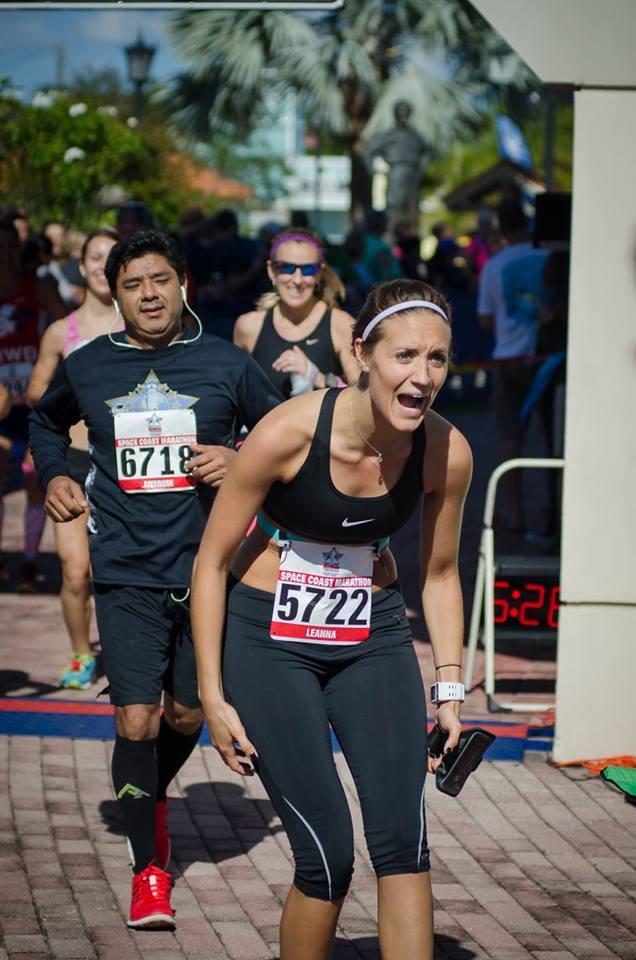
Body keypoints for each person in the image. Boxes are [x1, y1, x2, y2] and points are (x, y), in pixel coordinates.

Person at [191, 278, 472, 960]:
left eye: (437, 359)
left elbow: (438, 575)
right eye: (405, 356)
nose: (422, 376)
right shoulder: (287, 433)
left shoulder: (446, 451)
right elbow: (209, 563)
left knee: (404, 841)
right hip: (270, 641)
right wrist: (211, 695)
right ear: (362, 355)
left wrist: (451, 690)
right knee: (328, 852)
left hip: (372, 635)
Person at [29, 230, 281, 930]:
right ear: (116, 291)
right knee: (135, 717)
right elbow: (44, 426)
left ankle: (146, 795)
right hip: (127, 571)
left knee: (189, 714)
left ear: (182, 284)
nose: (148, 294)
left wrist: (239, 458)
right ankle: (149, 866)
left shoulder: (228, 365)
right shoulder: (88, 366)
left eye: (160, 279)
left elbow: (287, 434)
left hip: (207, 572)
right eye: (134, 282)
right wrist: (57, 473)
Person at [26, 227, 120, 689]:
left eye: (112, 257)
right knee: (75, 569)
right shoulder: (63, 332)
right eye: (95, 258)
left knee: (122, 570)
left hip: (125, 464)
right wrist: (74, 394)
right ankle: (83, 653)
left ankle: (128, 648)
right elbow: (36, 393)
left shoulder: (139, 329)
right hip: (76, 461)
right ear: (81, 268)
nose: (103, 266)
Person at [0, 220, 65, 589]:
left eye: (11, 246)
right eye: (0, 247)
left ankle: (27, 561)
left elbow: (68, 329)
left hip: (34, 398)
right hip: (1, 402)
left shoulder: (37, 287)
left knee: (32, 477)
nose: (6, 254)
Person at [478, 197, 548, 532]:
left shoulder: (494, 265)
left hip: (508, 360)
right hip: (546, 359)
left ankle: (514, 512)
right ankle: (554, 511)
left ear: (502, 229)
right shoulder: (549, 257)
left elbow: (486, 319)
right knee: (554, 440)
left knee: (510, 439)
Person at [233, 228, 359, 398]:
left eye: (308, 270)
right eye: (286, 267)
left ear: (319, 273)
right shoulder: (248, 327)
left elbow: (361, 396)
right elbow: (235, 395)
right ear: (271, 270)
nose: (297, 280)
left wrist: (316, 376)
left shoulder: (341, 324)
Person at [363, 101, 429, 229]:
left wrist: (422, 168)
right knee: (393, 211)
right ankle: (389, 238)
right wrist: (375, 172)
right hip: (396, 173)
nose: (403, 116)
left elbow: (427, 151)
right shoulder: (389, 135)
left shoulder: (415, 136)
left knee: (413, 211)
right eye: (401, 113)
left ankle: (412, 240)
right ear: (396, 115)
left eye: (406, 113)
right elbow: (368, 152)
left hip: (413, 174)